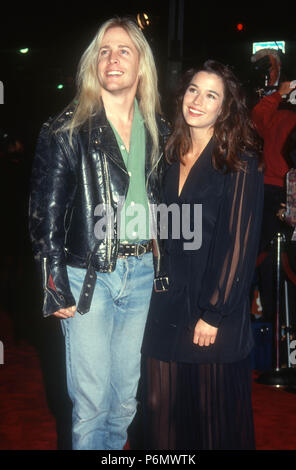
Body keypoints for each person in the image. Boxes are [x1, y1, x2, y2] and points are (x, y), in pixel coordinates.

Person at [29, 17, 170, 450]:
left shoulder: (159, 129)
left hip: (143, 272)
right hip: (87, 277)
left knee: (125, 401)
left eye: (124, 50)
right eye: (104, 51)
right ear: (93, 63)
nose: (113, 58)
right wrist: (53, 287)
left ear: (141, 65)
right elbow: (44, 214)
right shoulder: (66, 128)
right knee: (90, 404)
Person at [141, 60, 264, 450]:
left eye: (211, 95)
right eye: (193, 89)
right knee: (159, 410)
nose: (198, 100)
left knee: (212, 423)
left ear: (224, 108)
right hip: (165, 303)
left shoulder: (240, 160)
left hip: (214, 310)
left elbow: (239, 244)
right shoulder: (167, 154)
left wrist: (213, 312)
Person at [251, 49, 296, 322]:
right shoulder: (278, 109)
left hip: (283, 194)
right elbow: (257, 118)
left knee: (281, 261)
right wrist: (279, 93)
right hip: (270, 191)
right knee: (267, 260)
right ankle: (271, 325)